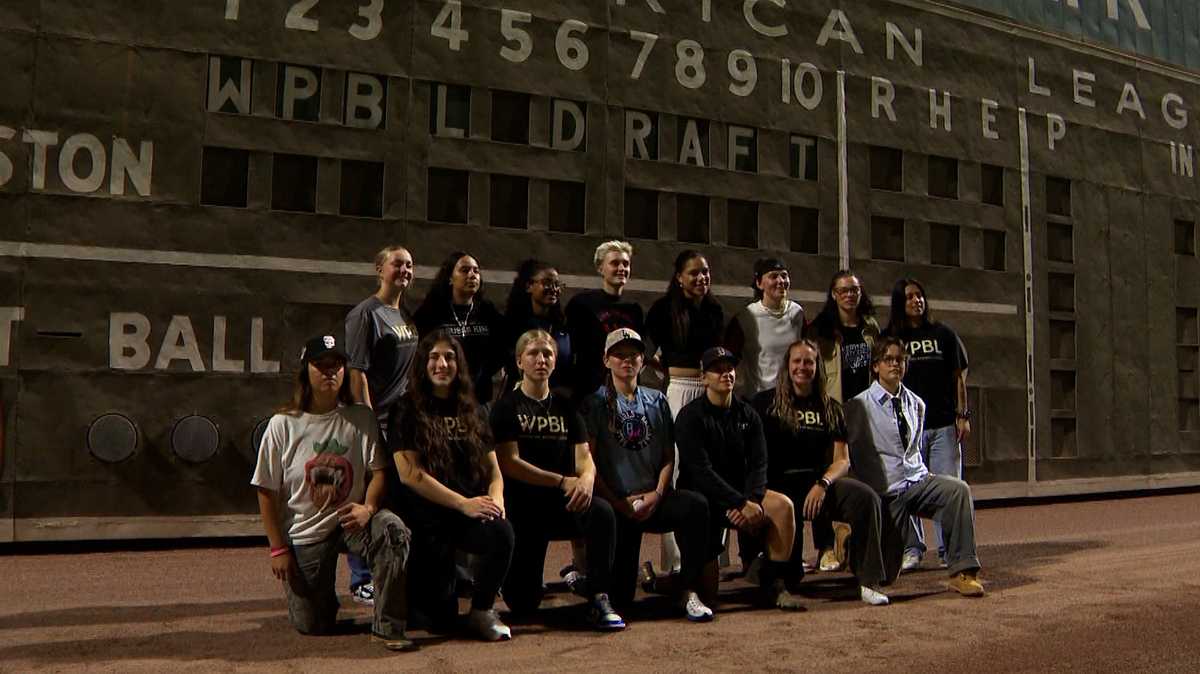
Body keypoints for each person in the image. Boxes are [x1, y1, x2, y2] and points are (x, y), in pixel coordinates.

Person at [251, 335, 415, 651]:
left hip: (353, 521)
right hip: (307, 529)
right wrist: (278, 549)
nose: (330, 372)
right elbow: (266, 491)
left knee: (392, 529)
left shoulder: (361, 417)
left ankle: (388, 627)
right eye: (321, 365)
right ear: (306, 371)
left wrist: (369, 507)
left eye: (336, 365)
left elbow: (379, 472)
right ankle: (322, 601)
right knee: (313, 625)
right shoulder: (283, 424)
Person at [493, 330, 624, 630]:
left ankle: (600, 596)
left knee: (601, 512)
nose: (541, 360)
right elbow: (510, 463)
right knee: (522, 604)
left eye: (547, 354)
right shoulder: (506, 407)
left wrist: (587, 479)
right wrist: (563, 481)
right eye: (533, 353)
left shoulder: (566, 407)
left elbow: (584, 457)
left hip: (562, 504)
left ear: (555, 362)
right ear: (519, 362)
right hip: (523, 508)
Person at [390, 331, 516, 641]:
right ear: (423, 364)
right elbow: (410, 475)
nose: (442, 364)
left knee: (501, 532)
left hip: (466, 511)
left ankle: (482, 610)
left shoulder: (474, 409)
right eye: (434, 357)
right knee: (438, 621)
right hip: (427, 519)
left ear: (459, 365)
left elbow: (493, 469)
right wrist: (463, 503)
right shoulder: (406, 409)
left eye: (449, 357)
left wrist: (496, 498)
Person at [581, 328, 714, 621]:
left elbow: (668, 456)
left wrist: (658, 494)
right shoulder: (595, 403)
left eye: (634, 355)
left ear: (643, 361)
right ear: (606, 360)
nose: (627, 361)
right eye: (619, 355)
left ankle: (688, 590)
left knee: (695, 505)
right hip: (618, 504)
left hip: (652, 500)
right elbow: (589, 462)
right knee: (623, 596)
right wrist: (618, 502)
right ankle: (592, 589)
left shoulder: (657, 400)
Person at [753, 339, 892, 606]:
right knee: (791, 577)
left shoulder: (831, 407)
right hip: (780, 489)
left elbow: (842, 460)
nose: (802, 367)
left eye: (809, 362)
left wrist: (823, 483)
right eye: (797, 361)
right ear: (787, 365)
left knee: (865, 498)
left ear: (817, 367)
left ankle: (868, 581)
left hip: (817, 485)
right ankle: (767, 570)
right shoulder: (765, 403)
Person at [843, 337, 985, 597]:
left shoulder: (916, 403)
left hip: (916, 483)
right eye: (888, 359)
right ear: (875, 366)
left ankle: (963, 572)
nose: (895, 365)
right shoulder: (858, 405)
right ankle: (855, 545)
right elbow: (852, 456)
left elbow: (913, 450)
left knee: (958, 491)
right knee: (885, 576)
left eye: (900, 360)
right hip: (885, 493)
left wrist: (923, 476)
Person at [674, 347, 804, 610]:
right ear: (703, 377)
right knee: (708, 595)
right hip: (703, 499)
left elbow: (759, 464)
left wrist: (752, 500)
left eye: (729, 369)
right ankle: (668, 584)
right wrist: (737, 503)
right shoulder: (690, 416)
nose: (726, 374)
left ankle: (774, 583)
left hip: (741, 495)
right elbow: (701, 472)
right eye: (717, 370)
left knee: (783, 507)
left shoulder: (748, 413)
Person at [343, 245, 420, 606]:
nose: (404, 270)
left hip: (402, 420)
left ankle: (394, 571)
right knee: (366, 495)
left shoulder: (403, 314)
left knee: (395, 496)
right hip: (376, 419)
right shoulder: (365, 314)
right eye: (397, 264)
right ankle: (361, 579)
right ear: (379, 269)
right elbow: (356, 371)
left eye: (409, 265)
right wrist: (368, 421)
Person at [884, 278, 971, 571]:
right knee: (904, 488)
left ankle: (949, 551)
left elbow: (958, 376)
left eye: (919, 295)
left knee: (950, 489)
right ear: (900, 302)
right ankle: (912, 548)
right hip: (906, 430)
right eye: (909, 297)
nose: (916, 301)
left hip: (943, 425)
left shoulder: (943, 333)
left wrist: (963, 415)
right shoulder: (891, 337)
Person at [644, 250, 724, 570]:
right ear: (679, 277)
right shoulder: (663, 310)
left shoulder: (715, 310)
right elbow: (645, 351)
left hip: (711, 392)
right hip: (679, 389)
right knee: (677, 469)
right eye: (694, 272)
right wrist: (666, 371)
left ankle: (712, 560)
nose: (701, 277)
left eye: (705, 271)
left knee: (714, 467)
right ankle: (676, 562)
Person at [806, 269, 880, 572]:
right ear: (834, 295)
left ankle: (858, 542)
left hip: (864, 412)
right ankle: (825, 547)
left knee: (864, 476)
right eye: (844, 290)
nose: (850, 295)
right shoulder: (820, 329)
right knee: (828, 474)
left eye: (855, 290)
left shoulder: (870, 327)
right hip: (832, 412)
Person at [414, 252, 506, 405]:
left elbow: (503, 348)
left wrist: (483, 373)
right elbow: (420, 353)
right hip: (440, 397)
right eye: (465, 270)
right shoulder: (432, 311)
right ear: (450, 278)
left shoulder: (487, 311)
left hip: (478, 398)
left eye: (476, 271)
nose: (472, 275)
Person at [565, 240, 644, 404]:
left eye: (626, 264)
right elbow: (570, 350)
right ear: (600, 268)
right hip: (589, 391)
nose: (621, 268)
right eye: (615, 263)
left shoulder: (634, 309)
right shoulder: (581, 304)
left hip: (625, 392)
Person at [724, 257, 806, 398]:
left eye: (784, 276)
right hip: (760, 398)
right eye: (773, 276)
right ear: (759, 283)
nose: (781, 281)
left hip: (793, 397)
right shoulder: (747, 317)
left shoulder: (797, 312)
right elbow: (728, 360)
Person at [502, 259, 574, 396]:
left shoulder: (563, 326)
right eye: (547, 283)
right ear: (529, 286)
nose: (554, 289)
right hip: (521, 398)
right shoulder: (512, 325)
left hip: (557, 399)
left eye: (557, 284)